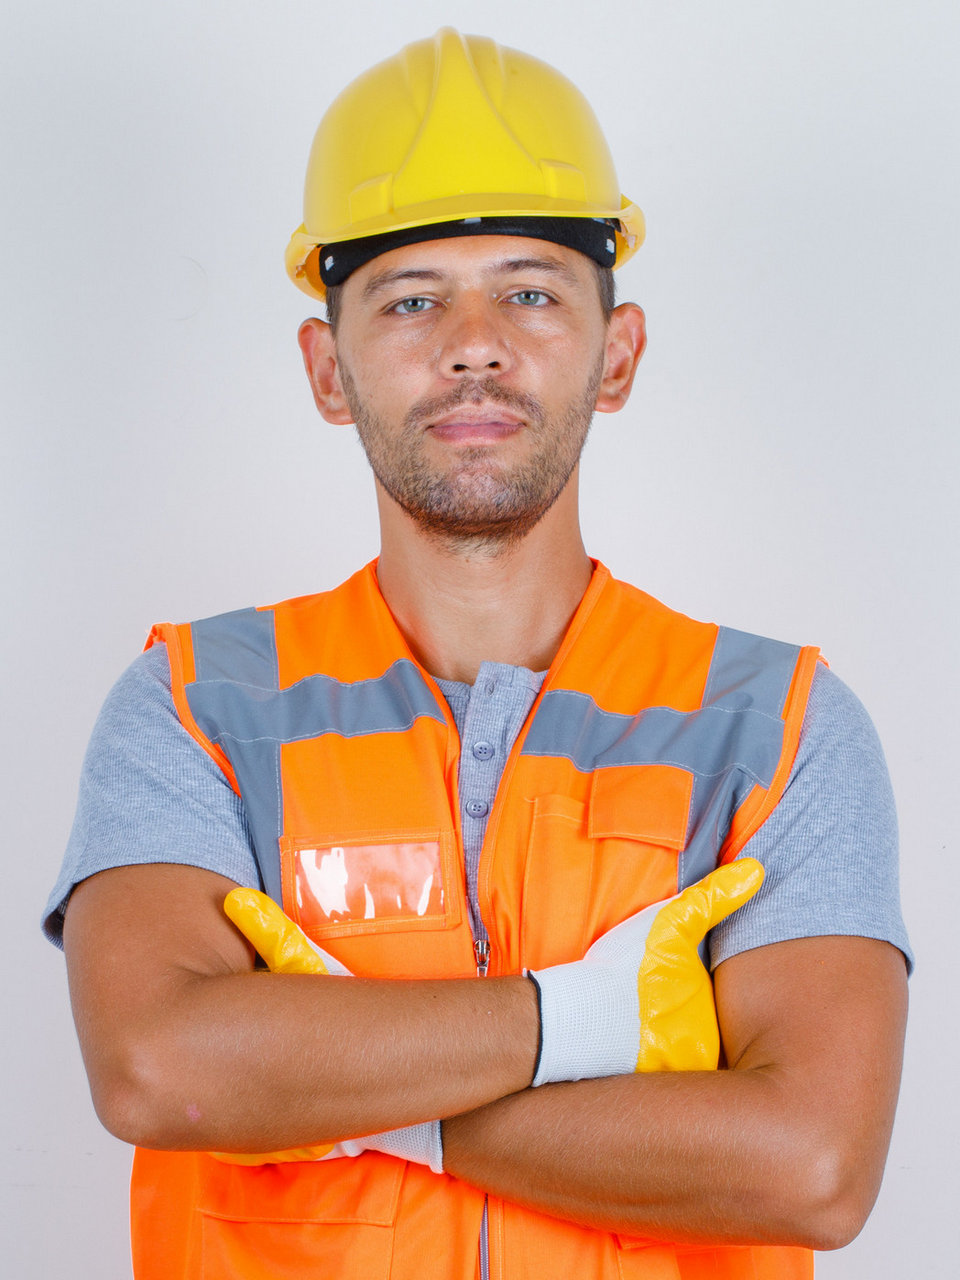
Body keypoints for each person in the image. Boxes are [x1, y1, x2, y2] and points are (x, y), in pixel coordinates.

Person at [45, 27, 911, 1280]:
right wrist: (592, 1025)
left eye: (531, 290)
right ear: (326, 369)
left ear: (616, 355)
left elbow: (812, 1165)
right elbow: (160, 1069)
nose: (473, 341)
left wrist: (325, 1093)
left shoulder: (776, 727)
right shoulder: (195, 705)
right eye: (409, 297)